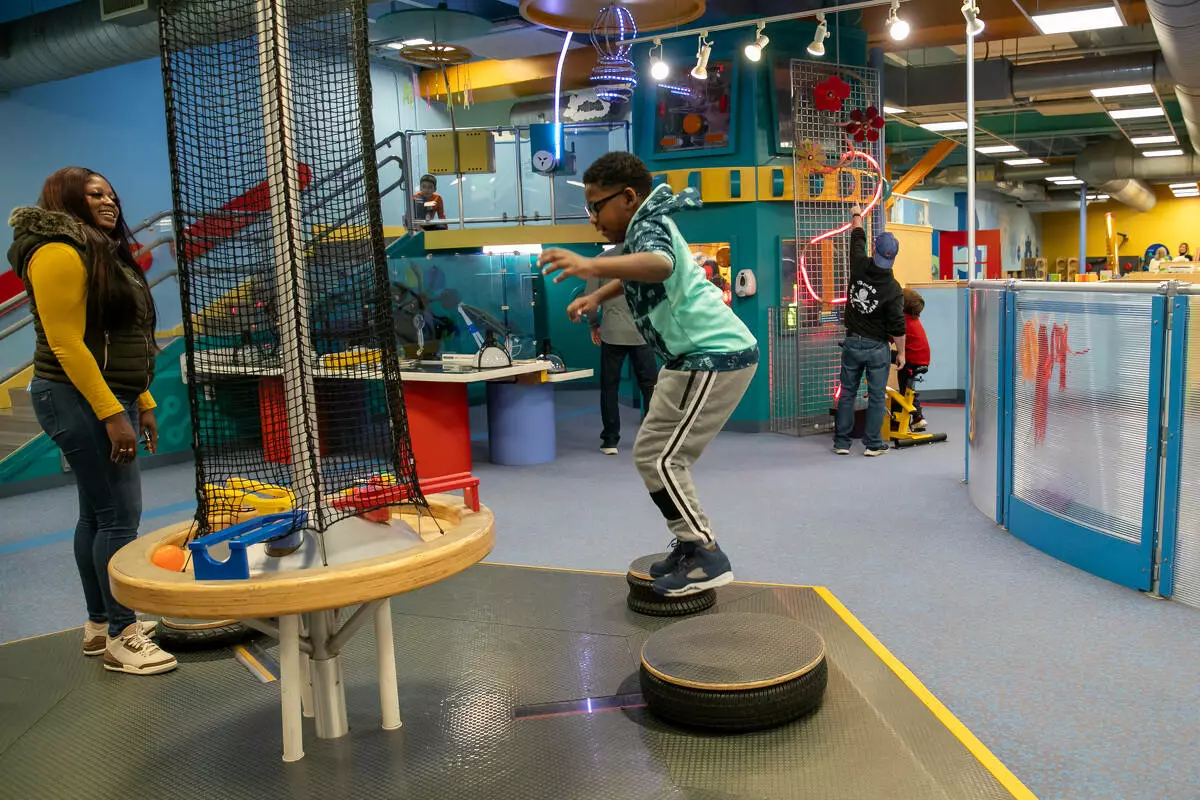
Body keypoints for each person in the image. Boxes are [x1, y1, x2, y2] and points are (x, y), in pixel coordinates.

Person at [538, 152, 758, 598]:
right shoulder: (646, 224)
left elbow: (661, 265)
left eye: (596, 206)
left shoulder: (647, 225)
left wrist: (591, 266)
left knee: (661, 458)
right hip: (690, 357)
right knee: (651, 455)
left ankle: (707, 555)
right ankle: (691, 544)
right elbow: (641, 272)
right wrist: (598, 295)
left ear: (628, 197)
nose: (593, 219)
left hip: (712, 354)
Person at [7, 167, 177, 676]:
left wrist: (142, 399)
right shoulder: (58, 251)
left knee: (98, 515)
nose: (108, 201)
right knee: (120, 517)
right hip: (75, 397)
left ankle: (101, 624)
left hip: (107, 393)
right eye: (93, 194)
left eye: (110, 193)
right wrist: (112, 413)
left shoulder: (99, 249)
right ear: (66, 200)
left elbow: (116, 338)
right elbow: (66, 344)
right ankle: (124, 635)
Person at [833, 204, 905, 457]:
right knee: (875, 396)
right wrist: (902, 353)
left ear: (874, 249)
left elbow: (857, 237)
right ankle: (873, 444)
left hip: (852, 342)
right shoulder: (893, 288)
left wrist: (857, 215)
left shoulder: (858, 264)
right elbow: (898, 326)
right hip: (877, 348)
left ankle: (842, 442)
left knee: (847, 393)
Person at [584, 248, 658, 456]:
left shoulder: (600, 260)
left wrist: (593, 325)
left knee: (609, 388)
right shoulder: (646, 257)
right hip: (642, 333)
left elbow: (590, 300)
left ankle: (610, 440)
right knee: (650, 388)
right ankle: (653, 440)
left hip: (612, 332)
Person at [897, 288, 931, 431]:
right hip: (922, 357)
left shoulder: (902, 320)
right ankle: (917, 418)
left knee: (904, 389)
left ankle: (917, 415)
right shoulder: (914, 318)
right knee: (908, 388)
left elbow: (892, 336)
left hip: (912, 357)